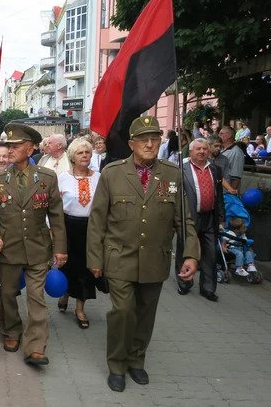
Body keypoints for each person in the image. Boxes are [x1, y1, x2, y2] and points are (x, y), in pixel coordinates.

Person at [86, 116, 199, 392]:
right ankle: (116, 365)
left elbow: (183, 219)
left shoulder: (171, 174)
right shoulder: (112, 173)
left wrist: (191, 254)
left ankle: (136, 359)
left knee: (146, 313)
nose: (149, 144)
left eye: (154, 139)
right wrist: (95, 259)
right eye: (143, 139)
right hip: (119, 257)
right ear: (131, 144)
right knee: (123, 311)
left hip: (155, 258)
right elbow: (97, 220)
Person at [0, 122, 67, 366]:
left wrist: (60, 248)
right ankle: (12, 331)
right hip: (8, 248)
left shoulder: (46, 178)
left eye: (16, 145)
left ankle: (35, 346)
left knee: (36, 297)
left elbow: (56, 216)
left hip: (37, 247)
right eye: (8, 145)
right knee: (8, 295)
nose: (10, 150)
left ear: (31, 149)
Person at [56, 137, 100, 329]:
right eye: (80, 152)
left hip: (91, 227)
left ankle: (80, 309)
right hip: (68, 227)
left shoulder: (99, 177)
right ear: (72, 156)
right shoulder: (63, 178)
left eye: (87, 152)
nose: (84, 156)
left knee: (86, 269)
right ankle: (65, 292)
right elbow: (56, 207)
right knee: (68, 266)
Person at [176, 138, 225, 301]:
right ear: (190, 152)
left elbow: (220, 196)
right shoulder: (181, 169)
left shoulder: (215, 169)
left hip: (210, 217)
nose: (202, 151)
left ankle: (208, 288)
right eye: (198, 149)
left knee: (210, 253)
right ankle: (184, 283)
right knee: (186, 250)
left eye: (204, 148)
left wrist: (221, 217)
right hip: (190, 217)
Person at [219, 126, 243, 194]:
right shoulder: (220, 150)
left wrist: (231, 195)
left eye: (221, 133)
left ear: (229, 135)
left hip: (226, 193)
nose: (219, 135)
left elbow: (236, 177)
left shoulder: (236, 152)